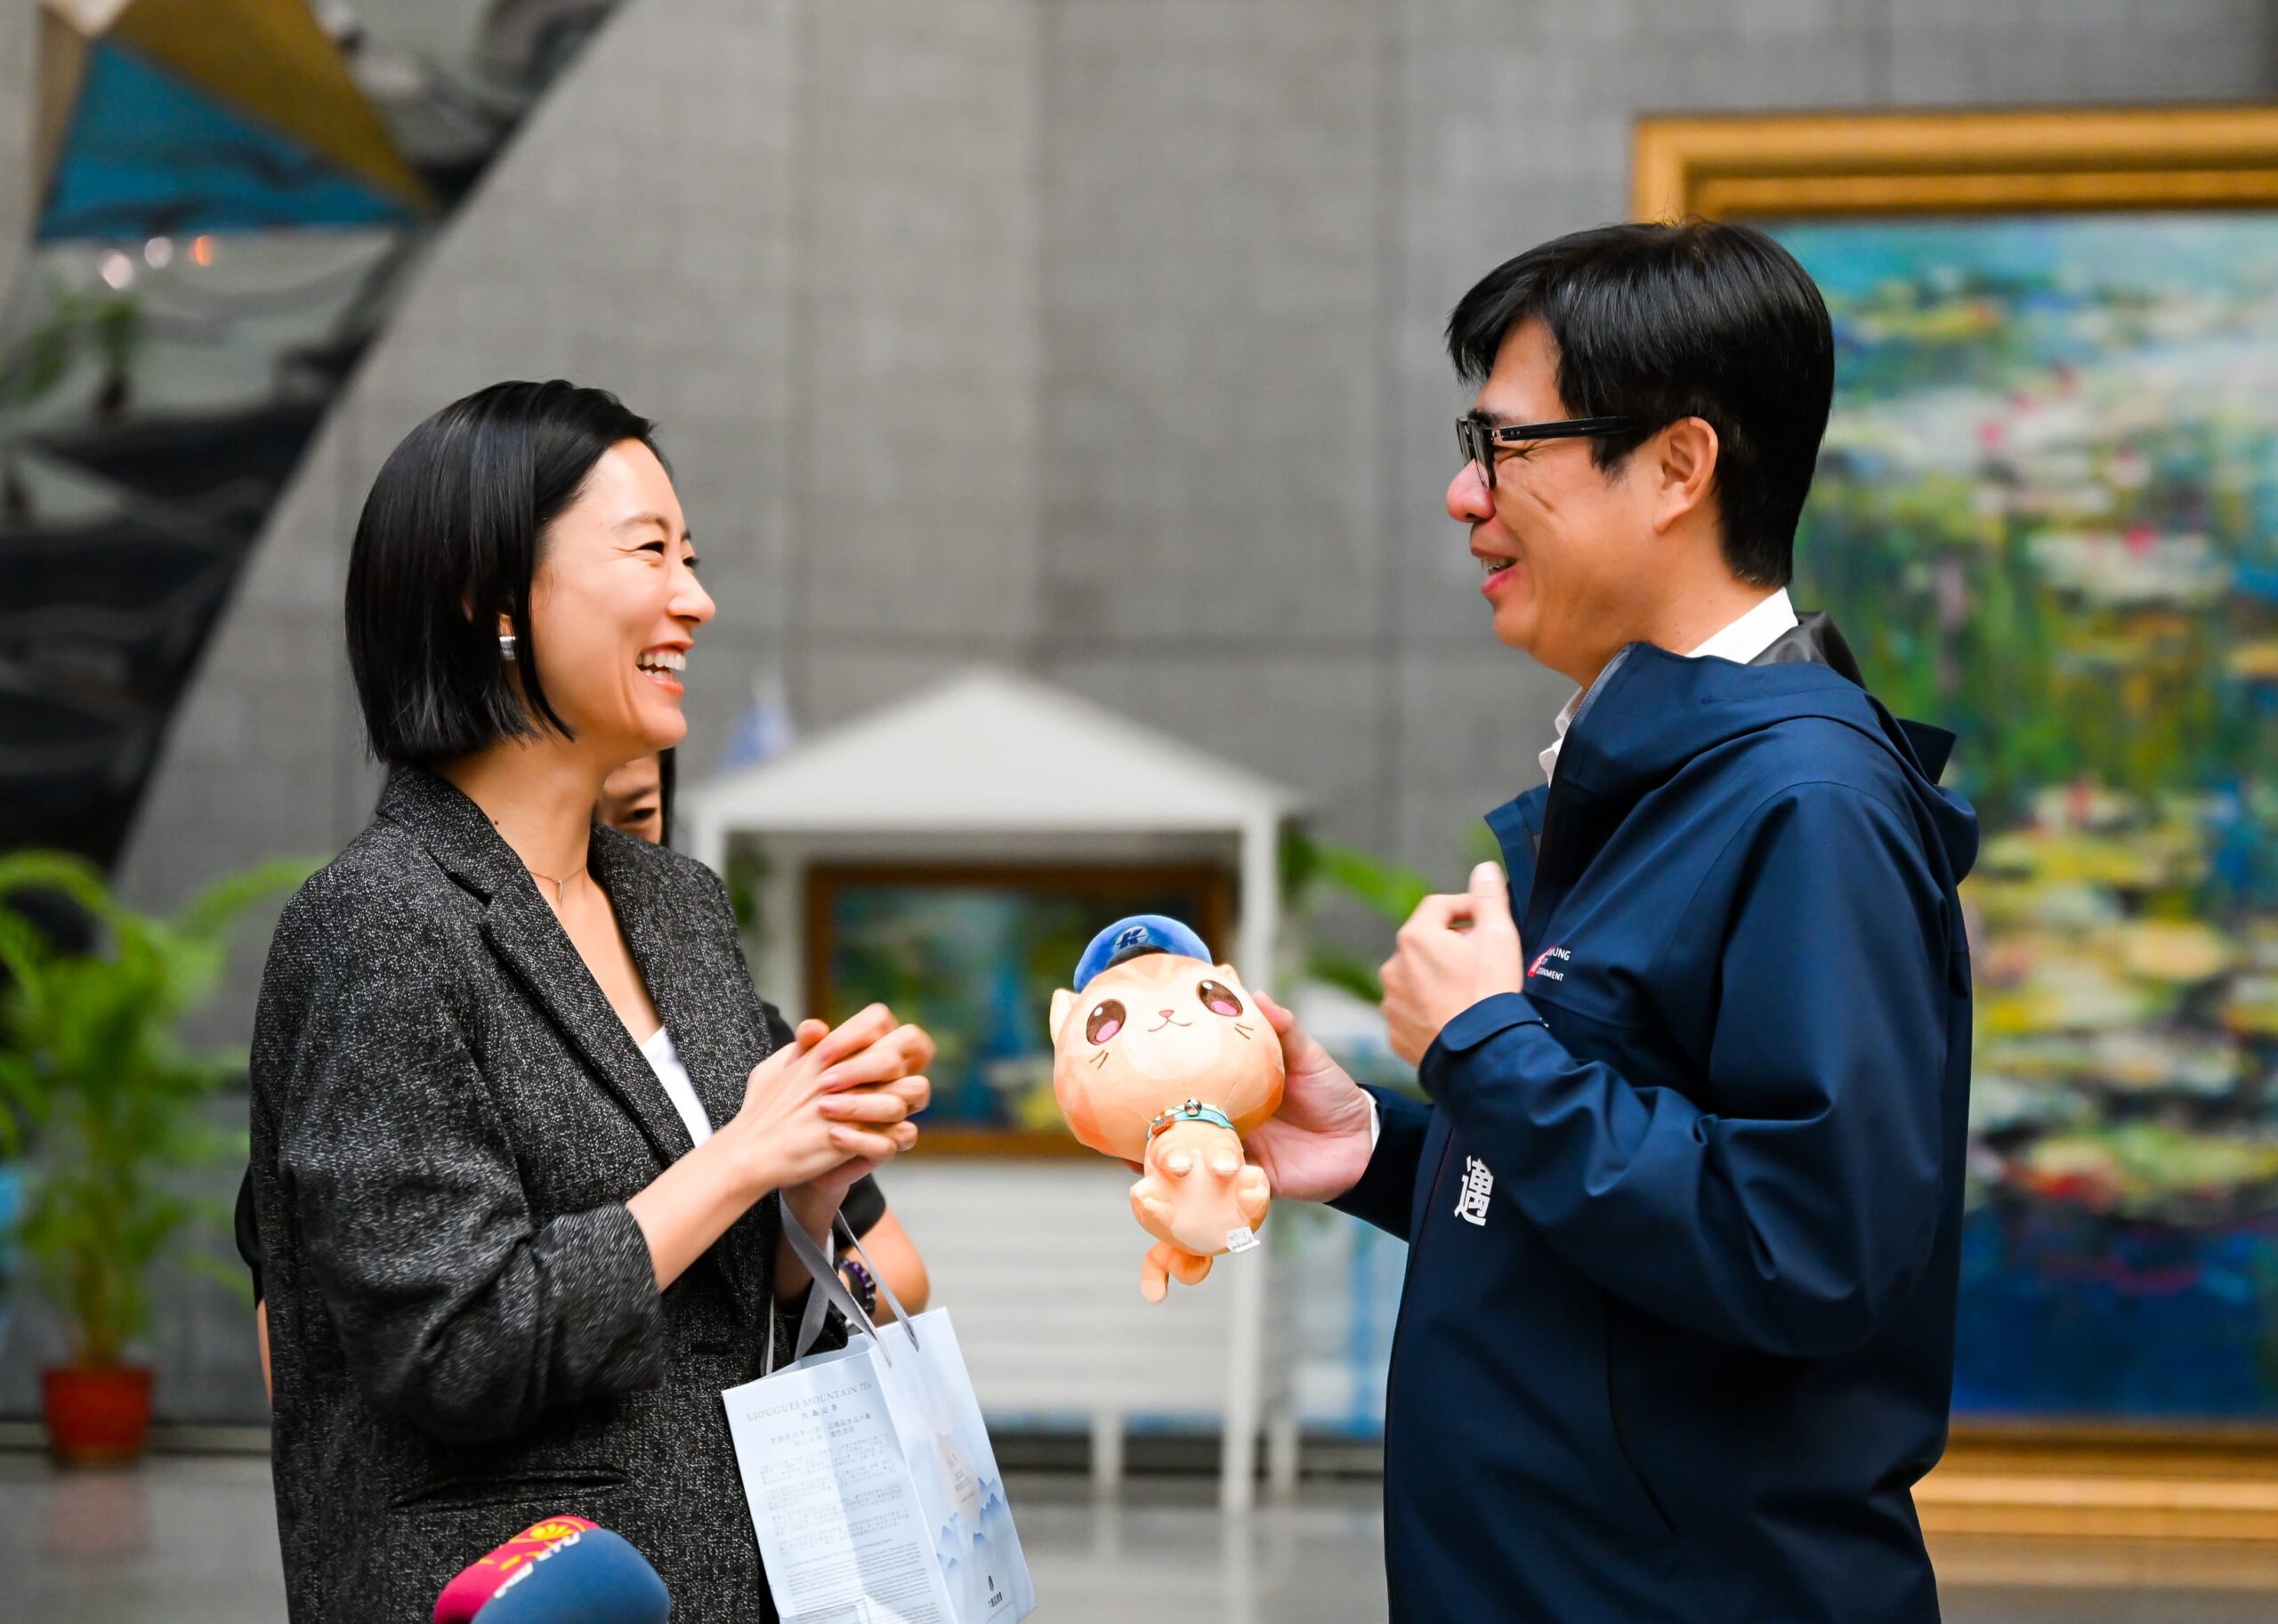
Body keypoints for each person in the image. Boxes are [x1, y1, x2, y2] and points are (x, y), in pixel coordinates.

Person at [1243, 222, 1978, 1622]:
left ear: (1679, 467)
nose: (1466, 492)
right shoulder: (1664, 777)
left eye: (1508, 444)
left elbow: (1807, 1242)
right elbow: (1620, 1190)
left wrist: (1487, 1051)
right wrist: (1390, 1152)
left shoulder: (1806, 802)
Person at [244, 380, 934, 1622]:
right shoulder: (380, 923)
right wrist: (738, 1162)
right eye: (651, 552)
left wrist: (808, 1202)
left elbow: (734, 1327)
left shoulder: (678, 907)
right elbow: (453, 1347)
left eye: (695, 557)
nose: (696, 598)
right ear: (489, 598)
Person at [595, 748, 931, 1320]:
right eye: (569, 820)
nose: (604, 852)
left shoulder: (742, 1026)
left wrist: (816, 1287)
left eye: (638, 816)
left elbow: (901, 1271)